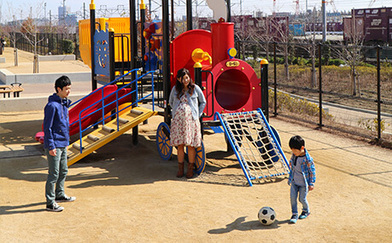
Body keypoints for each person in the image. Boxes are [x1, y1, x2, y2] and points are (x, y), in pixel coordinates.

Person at [43, 75, 75, 212]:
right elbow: (47, 127)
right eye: (66, 89)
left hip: (63, 143)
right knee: (53, 173)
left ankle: (59, 194)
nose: (68, 91)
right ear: (58, 89)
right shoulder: (52, 106)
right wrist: (51, 146)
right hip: (54, 144)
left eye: (69, 89)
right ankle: (50, 202)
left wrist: (66, 142)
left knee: (64, 170)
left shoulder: (63, 104)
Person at [169, 68, 206, 178]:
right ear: (179, 79)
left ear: (189, 78)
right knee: (180, 145)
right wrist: (177, 111)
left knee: (190, 145)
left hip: (191, 121)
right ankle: (180, 169)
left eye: (187, 78)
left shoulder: (195, 89)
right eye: (183, 78)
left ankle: (190, 169)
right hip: (178, 122)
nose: (185, 80)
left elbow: (203, 101)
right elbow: (171, 102)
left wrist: (198, 115)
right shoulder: (175, 90)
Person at [288, 135, 316, 224]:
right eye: (293, 151)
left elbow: (312, 171)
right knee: (293, 198)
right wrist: (290, 163)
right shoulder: (294, 155)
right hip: (294, 181)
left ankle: (306, 211)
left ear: (302, 148)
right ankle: (294, 214)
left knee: (302, 199)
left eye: (295, 151)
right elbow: (292, 160)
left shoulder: (308, 159)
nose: (294, 153)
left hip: (304, 184)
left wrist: (311, 183)